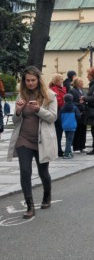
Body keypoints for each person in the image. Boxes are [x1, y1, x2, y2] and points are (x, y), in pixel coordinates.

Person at [7, 66, 58, 218]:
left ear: (38, 80)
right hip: (23, 139)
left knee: (43, 172)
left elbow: (52, 117)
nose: (30, 83)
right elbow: (16, 121)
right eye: (27, 80)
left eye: (33, 80)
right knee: (25, 171)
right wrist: (17, 111)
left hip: (42, 140)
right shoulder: (21, 95)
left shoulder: (49, 95)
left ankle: (46, 196)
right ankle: (29, 205)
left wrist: (38, 109)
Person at [48, 73, 67, 157]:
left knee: (59, 132)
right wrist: (65, 100)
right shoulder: (54, 89)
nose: (62, 81)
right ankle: (58, 149)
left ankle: (58, 149)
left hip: (61, 112)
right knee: (58, 132)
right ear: (57, 81)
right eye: (60, 80)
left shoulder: (61, 88)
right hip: (58, 112)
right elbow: (58, 101)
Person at [68, 77, 87, 154]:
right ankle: (76, 147)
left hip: (83, 113)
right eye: (81, 82)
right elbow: (71, 102)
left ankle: (82, 146)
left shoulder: (83, 91)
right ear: (77, 83)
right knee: (77, 130)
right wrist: (80, 104)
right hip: (77, 113)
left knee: (83, 130)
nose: (82, 83)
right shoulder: (72, 91)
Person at [59, 94, 80, 158]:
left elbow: (59, 117)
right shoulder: (74, 108)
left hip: (65, 125)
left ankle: (69, 152)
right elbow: (78, 116)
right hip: (72, 125)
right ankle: (66, 153)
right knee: (69, 140)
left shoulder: (62, 108)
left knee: (67, 138)